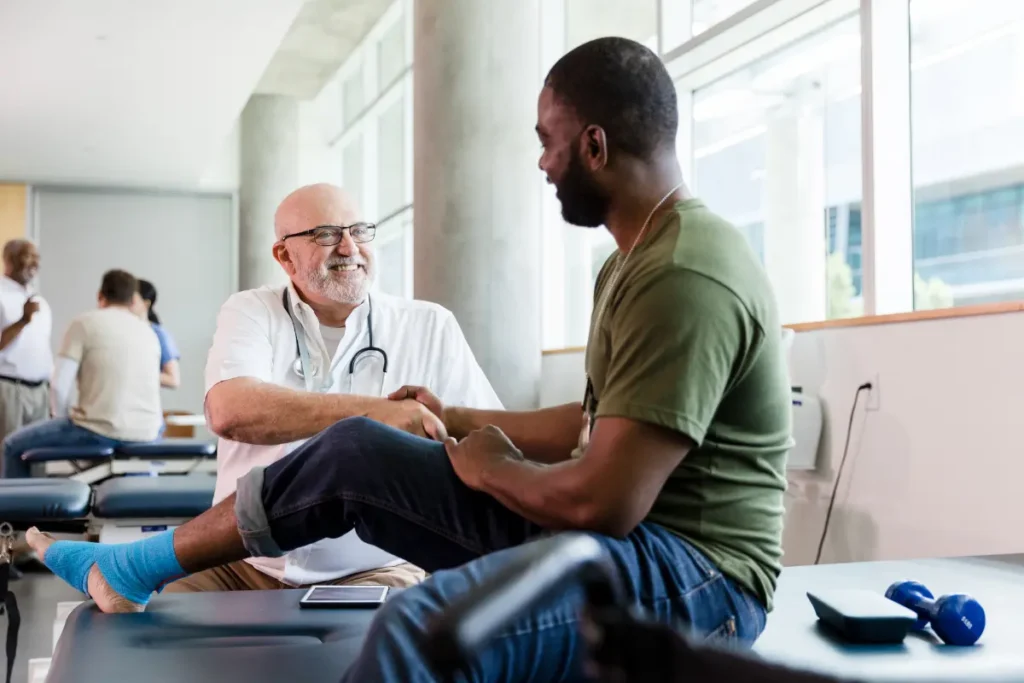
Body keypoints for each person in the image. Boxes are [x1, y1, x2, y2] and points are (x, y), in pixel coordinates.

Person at [28, 37, 791, 683]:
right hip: (621, 538)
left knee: (417, 628)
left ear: (593, 145)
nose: (541, 163)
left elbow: (606, 501)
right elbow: (590, 426)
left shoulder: (684, 269)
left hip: (696, 571)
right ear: (285, 257)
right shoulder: (626, 263)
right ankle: (130, 565)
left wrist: (486, 462)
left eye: (546, 141)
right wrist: (457, 419)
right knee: (356, 451)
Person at [157, 182, 502, 594]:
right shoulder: (252, 310)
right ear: (285, 255)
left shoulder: (430, 325)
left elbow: (485, 439)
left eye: (358, 231)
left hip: (376, 567)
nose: (348, 247)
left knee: (381, 649)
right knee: (142, 634)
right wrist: (376, 414)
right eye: (325, 234)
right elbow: (230, 411)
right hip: (241, 564)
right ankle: (121, 567)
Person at [2, 269, 162, 478]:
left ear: (100, 296)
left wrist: (61, 417)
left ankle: (20, 509)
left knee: (11, 446)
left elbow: (59, 384)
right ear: (133, 299)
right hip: (147, 432)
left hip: (98, 431)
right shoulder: (148, 332)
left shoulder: (84, 323)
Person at [0, 240, 52, 463]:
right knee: (7, 458)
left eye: (36, 257)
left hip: (40, 391)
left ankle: (36, 499)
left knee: (38, 457)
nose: (35, 262)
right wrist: (23, 320)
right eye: (27, 256)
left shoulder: (40, 301)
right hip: (10, 390)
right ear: (9, 260)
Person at [135, 279, 181, 389]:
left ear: (146, 303)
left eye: (132, 300)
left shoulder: (159, 334)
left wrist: (136, 374)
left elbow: (173, 380)